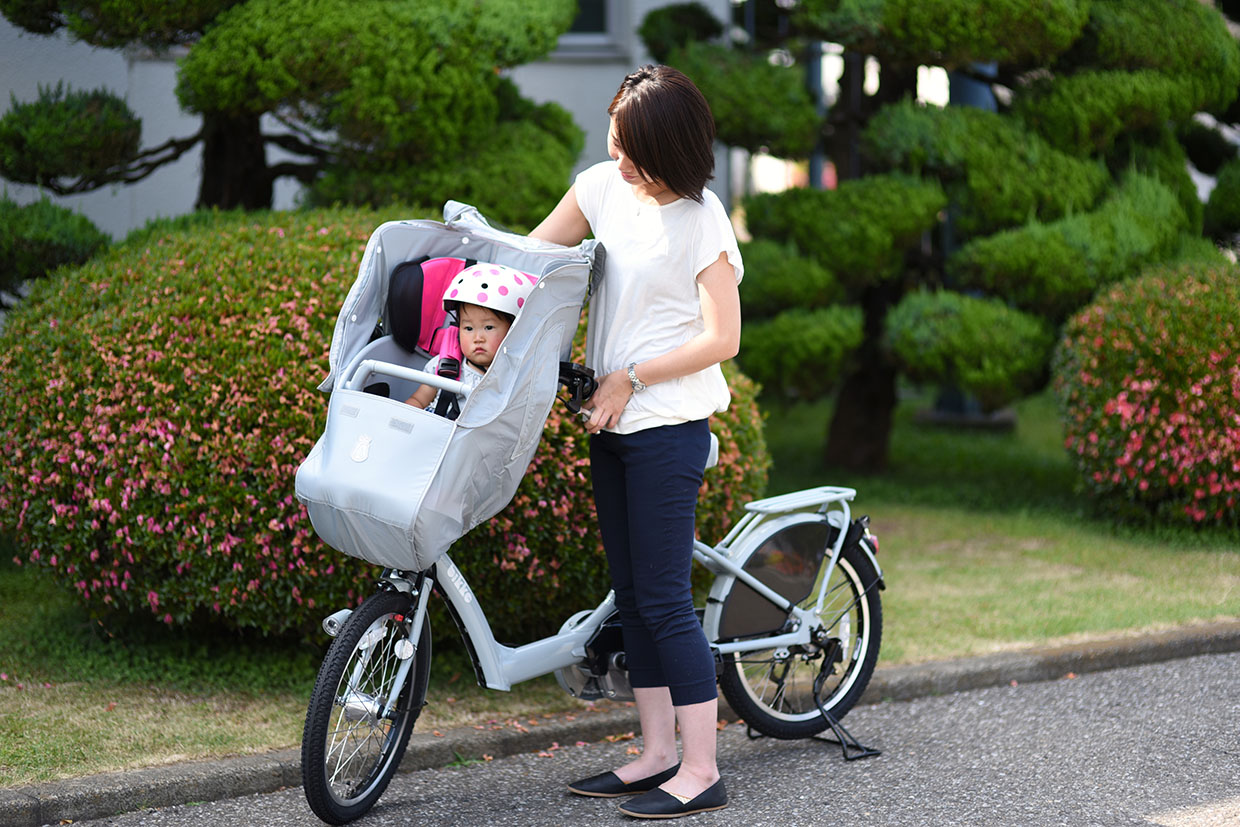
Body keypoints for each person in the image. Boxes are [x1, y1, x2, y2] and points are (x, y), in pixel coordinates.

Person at [530, 64, 742, 820]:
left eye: (635, 151)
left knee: (662, 598)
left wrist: (631, 377)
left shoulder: (703, 218)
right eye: (615, 142)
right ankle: (656, 754)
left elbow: (725, 336)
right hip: (611, 425)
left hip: (666, 428)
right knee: (634, 595)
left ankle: (702, 767)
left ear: (675, 149)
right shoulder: (600, 188)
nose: (620, 161)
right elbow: (533, 260)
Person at [403, 262, 535, 410]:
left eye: (489, 327)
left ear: (513, 331)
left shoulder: (514, 377)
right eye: (468, 328)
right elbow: (419, 399)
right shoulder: (441, 365)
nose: (478, 337)